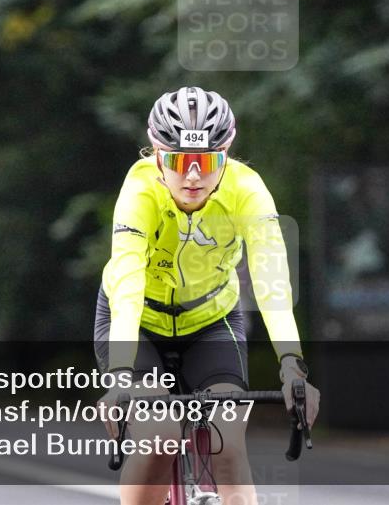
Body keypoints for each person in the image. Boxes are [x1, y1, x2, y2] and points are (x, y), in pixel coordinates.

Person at [94, 87, 320, 505]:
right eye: (180, 162)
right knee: (159, 436)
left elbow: (272, 283)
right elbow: (127, 285)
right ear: (158, 156)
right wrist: (121, 374)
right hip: (139, 322)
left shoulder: (248, 191)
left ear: (226, 156)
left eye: (207, 162)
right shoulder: (139, 191)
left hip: (211, 321)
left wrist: (292, 365)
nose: (193, 176)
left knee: (227, 442)